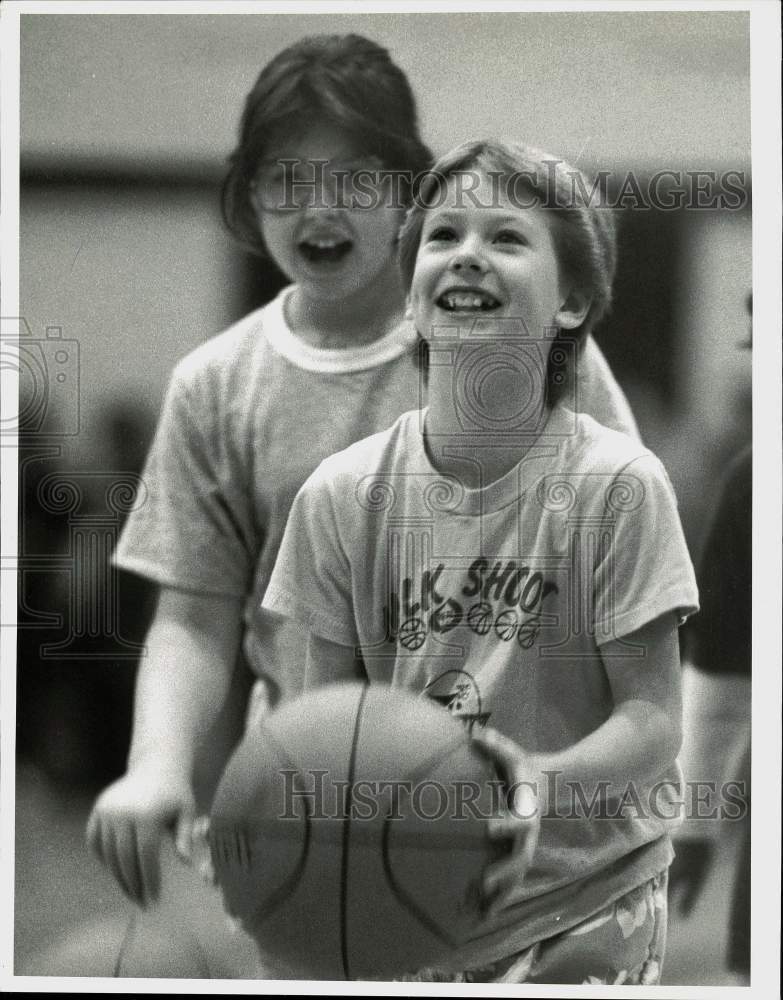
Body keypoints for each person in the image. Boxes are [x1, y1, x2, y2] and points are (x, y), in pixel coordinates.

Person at [83, 35, 639, 977]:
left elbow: (620, 561)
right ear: (247, 193)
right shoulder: (215, 384)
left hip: (524, 825)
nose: (317, 206)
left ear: (410, 193)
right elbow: (193, 614)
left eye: (353, 176)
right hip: (320, 818)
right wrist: (158, 765)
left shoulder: (525, 345)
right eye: (284, 178)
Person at [262, 139, 699, 984]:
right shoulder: (339, 495)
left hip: (587, 900)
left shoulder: (618, 485)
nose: (467, 252)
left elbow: (651, 725)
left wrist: (528, 784)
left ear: (570, 300)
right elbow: (327, 726)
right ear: (413, 302)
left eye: (505, 237)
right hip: (406, 906)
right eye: (443, 235)